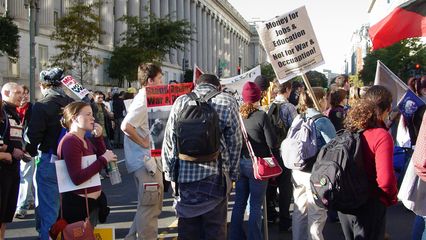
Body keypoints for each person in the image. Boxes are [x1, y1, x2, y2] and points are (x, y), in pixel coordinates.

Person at [162, 74, 242, 239]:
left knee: (188, 230)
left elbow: (169, 141)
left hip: (184, 178)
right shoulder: (227, 101)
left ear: (195, 85)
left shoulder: (181, 101)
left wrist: (170, 174)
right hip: (216, 176)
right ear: (218, 86)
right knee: (215, 230)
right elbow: (235, 142)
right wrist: (232, 175)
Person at [339, 85, 398, 239]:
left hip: (345, 202)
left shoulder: (351, 127)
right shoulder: (381, 135)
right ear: (388, 107)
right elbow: (385, 180)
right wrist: (390, 199)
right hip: (369, 204)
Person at [25, 67, 74, 240]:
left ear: (43, 85)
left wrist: (28, 152)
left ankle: (46, 236)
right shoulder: (72, 104)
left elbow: (33, 135)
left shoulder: (43, 105)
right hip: (71, 160)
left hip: (50, 159)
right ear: (62, 84)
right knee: (65, 206)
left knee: (48, 207)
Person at [229, 82, 279, 240]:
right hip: (258, 165)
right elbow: (272, 143)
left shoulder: (236, 115)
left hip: (240, 163)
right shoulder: (261, 115)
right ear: (258, 97)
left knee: (239, 203)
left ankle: (235, 236)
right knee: (256, 205)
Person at [121, 63, 164, 240]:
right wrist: (144, 142)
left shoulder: (144, 97)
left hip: (145, 161)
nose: (162, 83)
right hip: (146, 162)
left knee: (146, 206)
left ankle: (131, 237)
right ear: (150, 80)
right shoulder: (144, 98)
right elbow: (126, 126)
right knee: (150, 209)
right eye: (160, 79)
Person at [57, 102, 117, 225]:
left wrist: (99, 138)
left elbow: (101, 159)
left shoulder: (84, 139)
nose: (93, 118)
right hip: (78, 206)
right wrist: (104, 159)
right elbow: (77, 178)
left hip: (91, 204)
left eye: (92, 114)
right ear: (74, 118)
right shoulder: (70, 141)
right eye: (88, 114)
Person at [291, 90, 336, 240]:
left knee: (300, 210)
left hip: (297, 169)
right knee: (316, 212)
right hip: (315, 172)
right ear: (321, 99)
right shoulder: (323, 120)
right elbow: (334, 146)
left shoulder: (299, 117)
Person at [266, 80, 297, 231]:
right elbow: (296, 131)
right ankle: (285, 220)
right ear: (288, 89)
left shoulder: (269, 106)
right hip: (285, 151)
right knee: (285, 186)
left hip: (271, 152)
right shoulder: (289, 107)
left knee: (271, 183)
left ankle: (270, 214)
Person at [0, 83, 26, 239]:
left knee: (6, 215)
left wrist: (23, 150)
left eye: (22, 93)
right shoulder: (2, 112)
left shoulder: (14, 112)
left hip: (13, 169)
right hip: (3, 170)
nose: (21, 96)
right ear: (5, 93)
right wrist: (10, 151)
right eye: (17, 92)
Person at [15, 85, 34, 219]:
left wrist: (28, 148)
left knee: (25, 176)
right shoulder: (9, 110)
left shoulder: (33, 109)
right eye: (21, 93)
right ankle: (30, 200)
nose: (24, 96)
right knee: (26, 176)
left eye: (26, 94)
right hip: (14, 148)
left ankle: (21, 207)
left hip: (28, 147)